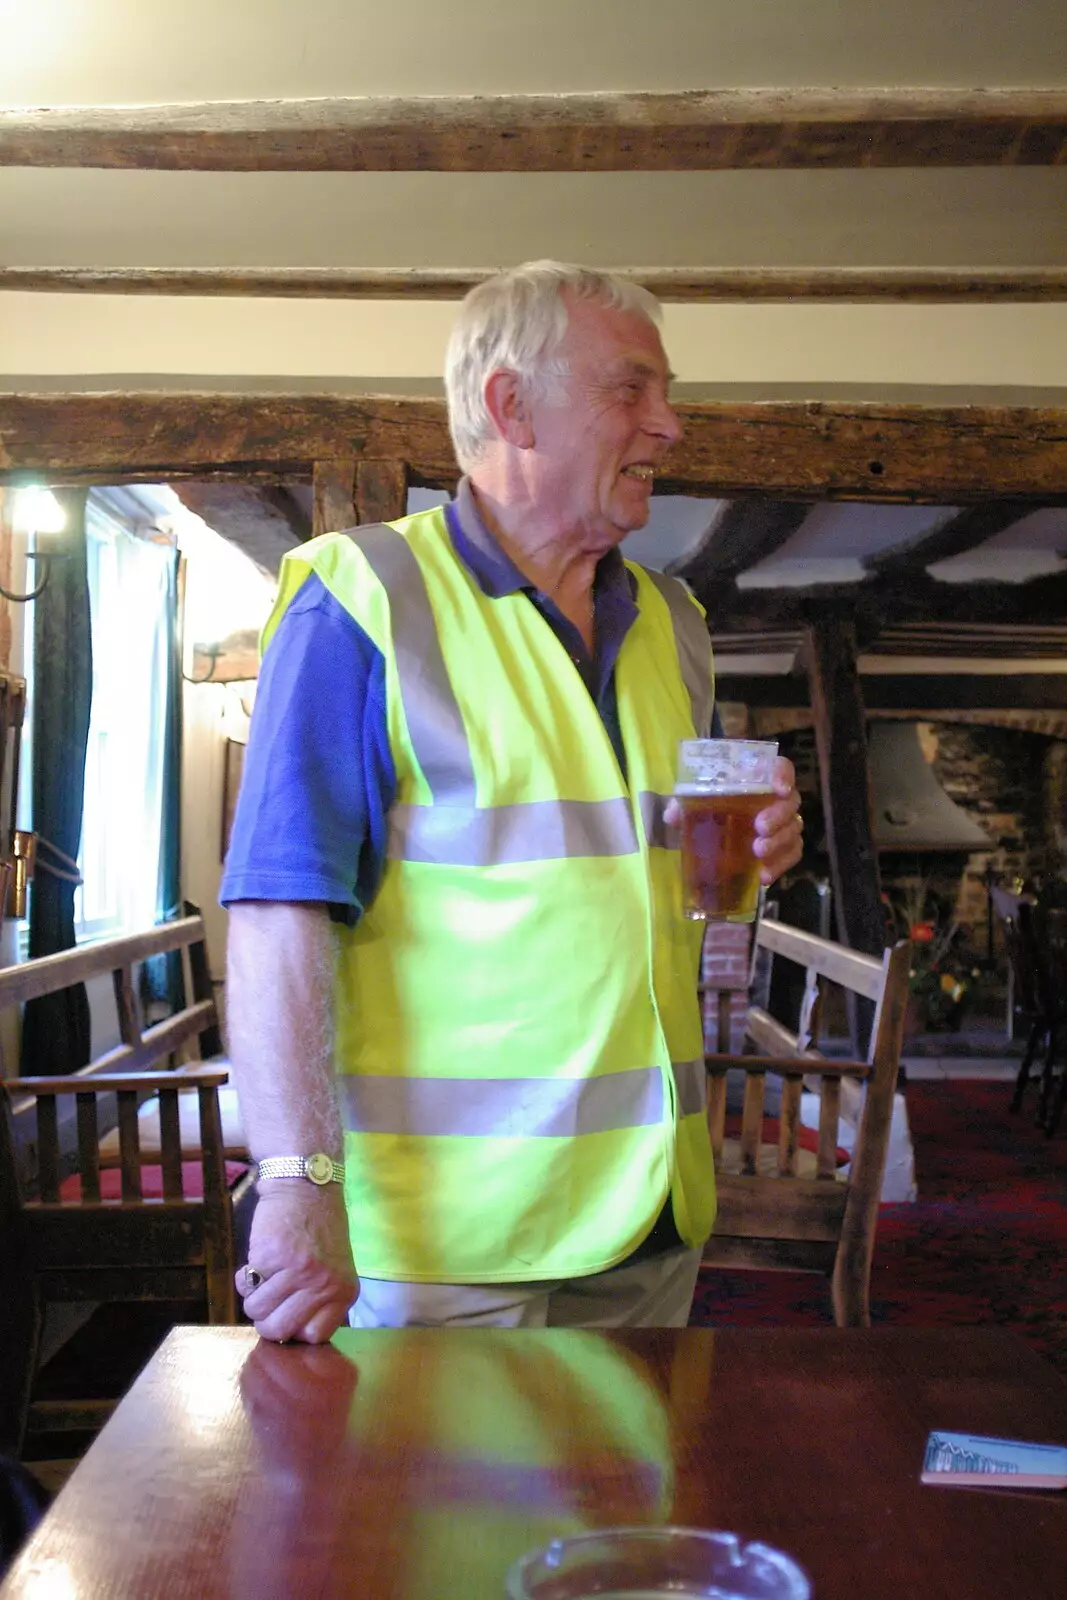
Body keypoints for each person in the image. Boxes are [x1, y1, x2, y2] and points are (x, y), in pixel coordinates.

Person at [220, 261, 803, 1341]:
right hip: (450, 1247)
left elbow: (654, 889)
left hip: (653, 1219)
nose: (669, 426)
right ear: (509, 405)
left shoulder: (675, 621)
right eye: (632, 391)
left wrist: (762, 840)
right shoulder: (361, 596)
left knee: (632, 1515)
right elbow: (275, 913)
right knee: (443, 1522)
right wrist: (295, 1182)